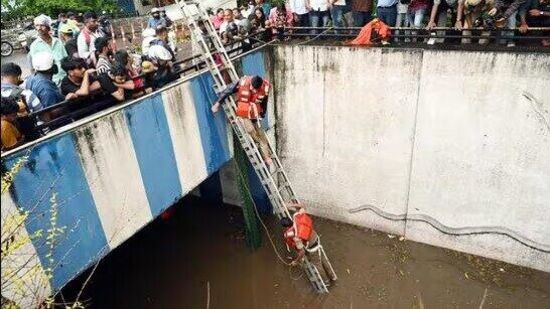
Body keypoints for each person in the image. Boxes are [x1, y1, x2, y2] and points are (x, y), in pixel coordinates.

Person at [211, 75, 273, 166]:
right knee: (251, 130)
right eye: (252, 88)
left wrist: (263, 114)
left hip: (255, 112)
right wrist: (217, 104)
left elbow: (264, 101)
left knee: (261, 135)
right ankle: (261, 146)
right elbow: (228, 91)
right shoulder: (243, 82)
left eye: (255, 89)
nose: (253, 90)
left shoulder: (265, 87)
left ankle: (266, 156)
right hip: (244, 112)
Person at [280, 203, 337, 285]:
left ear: (285, 227)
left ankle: (326, 282)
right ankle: (333, 277)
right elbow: (302, 206)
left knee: (317, 264)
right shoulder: (297, 218)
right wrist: (291, 205)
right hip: (316, 239)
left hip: (312, 247)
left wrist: (296, 261)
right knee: (323, 259)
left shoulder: (296, 237)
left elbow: (302, 252)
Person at [28, 14, 68, 86]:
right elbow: (36, 67)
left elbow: (65, 58)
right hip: (50, 82)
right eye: (37, 25)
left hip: (64, 77)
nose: (39, 28)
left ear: (48, 27)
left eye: (42, 25)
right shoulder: (34, 46)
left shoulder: (58, 41)